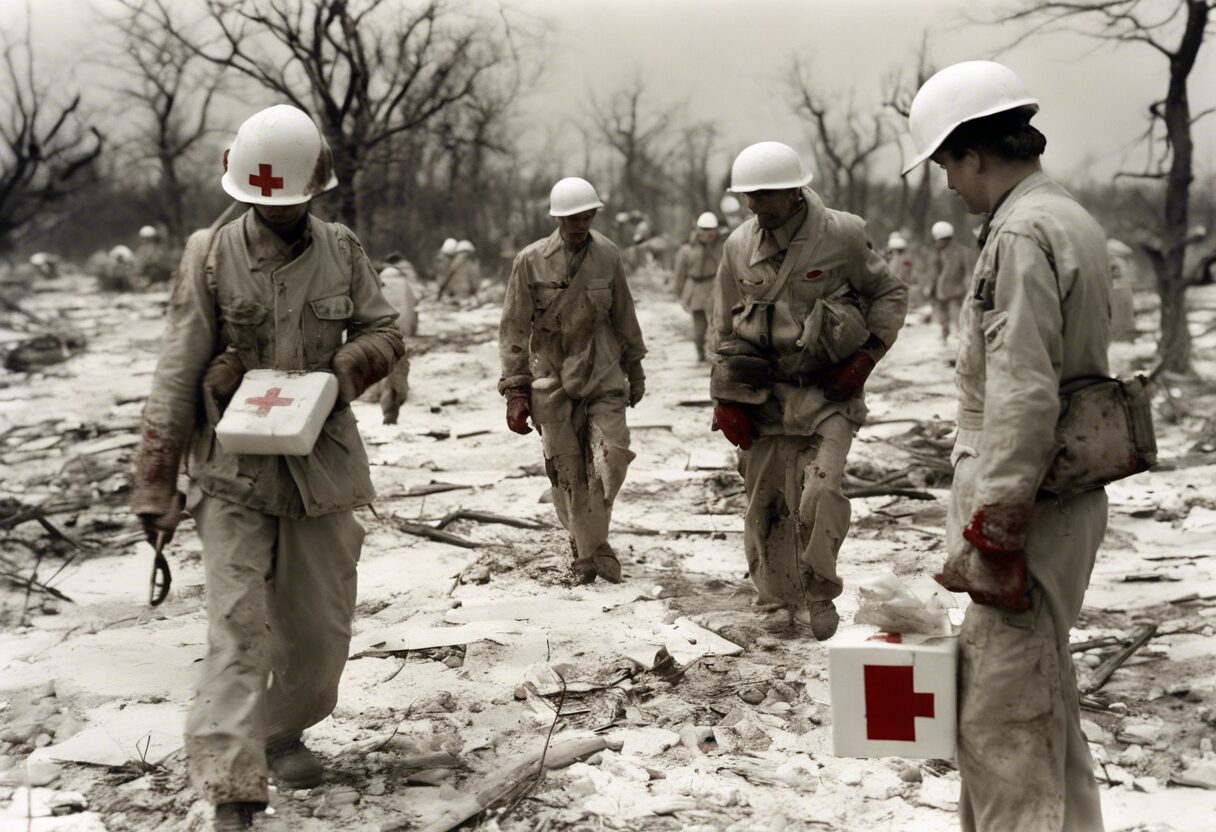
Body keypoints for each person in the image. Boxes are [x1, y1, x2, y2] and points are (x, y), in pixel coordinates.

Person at [131, 104, 404, 831]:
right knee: (238, 628)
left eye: (286, 202)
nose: (271, 213)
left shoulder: (342, 248)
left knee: (318, 646)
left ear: (317, 190)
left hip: (322, 466)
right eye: (259, 202)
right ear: (241, 189)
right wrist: (157, 480)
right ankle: (234, 786)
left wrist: (350, 366)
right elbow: (174, 370)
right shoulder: (208, 254)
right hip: (232, 470)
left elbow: (384, 329)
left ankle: (283, 728)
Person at [904, 60, 1110, 832]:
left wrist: (997, 524)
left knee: (1002, 722)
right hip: (1057, 496)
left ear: (974, 152)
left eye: (946, 166)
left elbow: (1024, 390)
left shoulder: (1021, 233)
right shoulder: (1063, 214)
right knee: (1042, 710)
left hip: (1030, 508)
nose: (948, 186)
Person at [709, 141, 908, 639]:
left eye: (764, 195)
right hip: (764, 396)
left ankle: (819, 590)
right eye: (747, 196)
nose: (754, 205)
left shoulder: (843, 234)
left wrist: (866, 358)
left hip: (828, 392)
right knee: (764, 504)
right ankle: (775, 601)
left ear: (794, 191)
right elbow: (724, 326)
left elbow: (889, 292)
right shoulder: (737, 245)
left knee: (820, 490)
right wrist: (724, 396)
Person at [498, 176, 646, 584]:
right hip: (550, 373)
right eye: (571, 217)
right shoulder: (530, 260)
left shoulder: (608, 255)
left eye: (586, 215)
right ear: (557, 218)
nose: (579, 223)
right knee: (567, 471)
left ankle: (592, 539)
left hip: (602, 369)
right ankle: (587, 552)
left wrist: (635, 366)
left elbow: (624, 314)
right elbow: (513, 328)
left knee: (611, 459)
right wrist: (515, 389)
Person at [370, 252, 419, 423]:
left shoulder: (378, 283)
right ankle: (396, 395)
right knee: (399, 364)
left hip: (381, 330)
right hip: (400, 330)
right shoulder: (405, 283)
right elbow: (411, 307)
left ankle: (380, 391)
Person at [673, 212, 724, 362]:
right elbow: (679, 273)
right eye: (704, 229)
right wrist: (678, 294)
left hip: (714, 286)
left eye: (711, 229)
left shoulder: (721, 246)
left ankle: (715, 351)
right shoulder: (687, 249)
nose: (707, 233)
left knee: (718, 324)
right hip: (695, 288)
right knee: (699, 328)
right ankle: (700, 351)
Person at [928, 220, 970, 342]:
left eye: (938, 240)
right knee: (944, 315)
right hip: (945, 289)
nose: (937, 243)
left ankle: (958, 336)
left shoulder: (958, 252)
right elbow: (934, 272)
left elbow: (967, 272)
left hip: (953, 290)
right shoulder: (940, 252)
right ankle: (946, 334)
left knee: (955, 313)